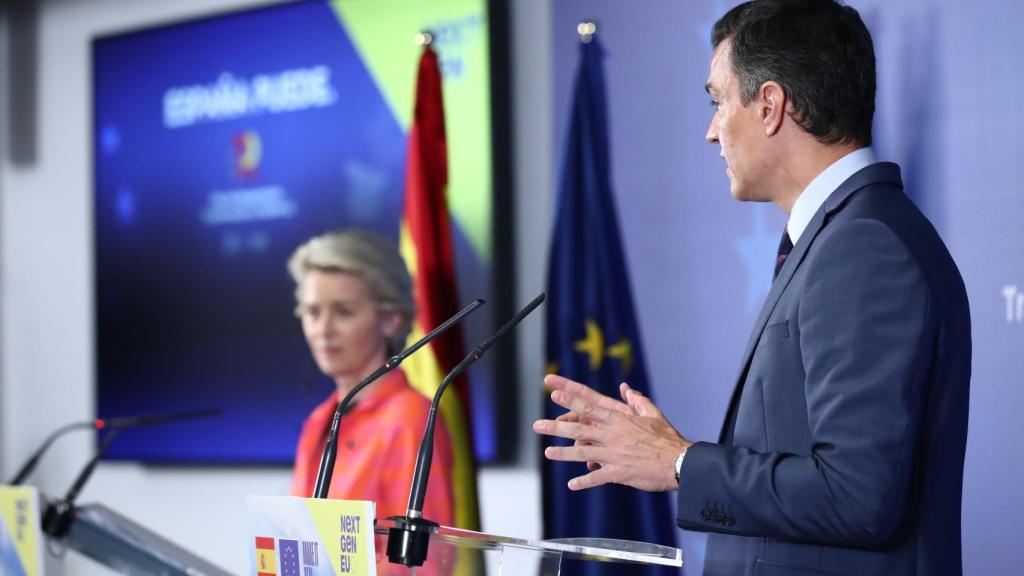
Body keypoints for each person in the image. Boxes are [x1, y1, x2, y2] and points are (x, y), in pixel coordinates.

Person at [534, 1, 971, 575]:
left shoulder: (864, 247)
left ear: (769, 105)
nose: (711, 132)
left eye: (718, 101)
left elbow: (857, 496)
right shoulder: (841, 237)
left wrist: (681, 464)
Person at [287, 229, 455, 531]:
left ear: (391, 319)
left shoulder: (410, 418)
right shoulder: (319, 420)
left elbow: (427, 553)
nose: (323, 330)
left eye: (344, 312)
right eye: (313, 312)